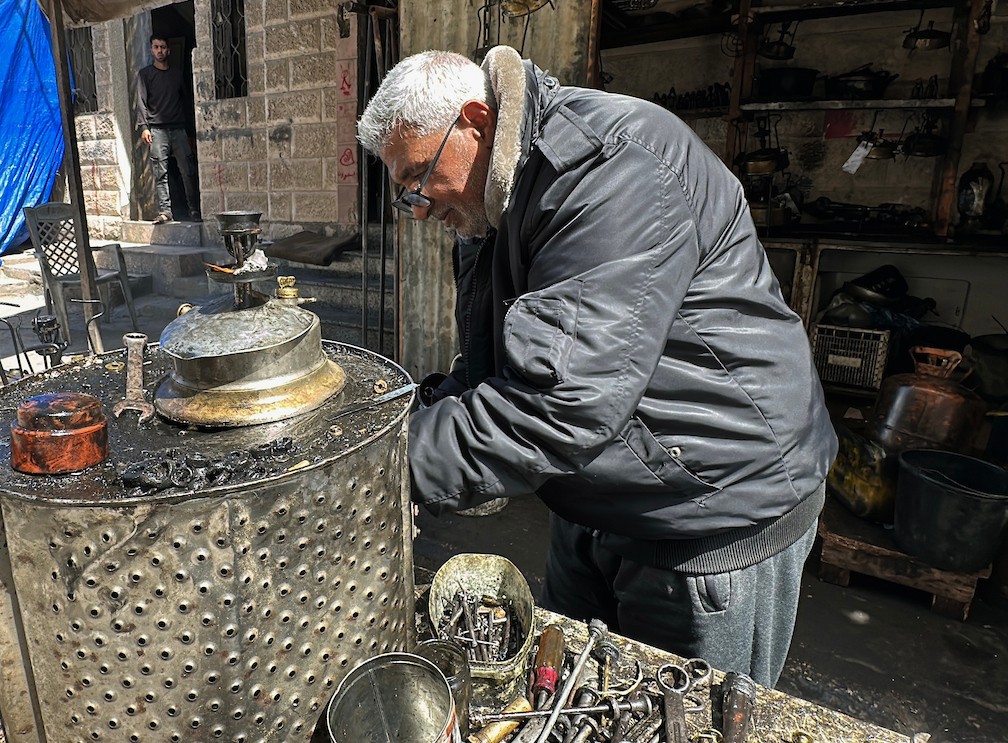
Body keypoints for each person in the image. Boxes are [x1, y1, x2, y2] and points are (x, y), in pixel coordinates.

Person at [356, 47, 838, 687]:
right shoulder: (492, 203)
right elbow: (498, 371)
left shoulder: (611, 169)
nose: (418, 207)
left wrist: (375, 473)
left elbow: (558, 404)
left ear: (476, 121)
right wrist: (394, 424)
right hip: (602, 493)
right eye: (405, 193)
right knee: (558, 695)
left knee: (686, 719)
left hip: (713, 511)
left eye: (419, 178)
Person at [137, 34, 200, 224]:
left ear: (168, 50)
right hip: (157, 131)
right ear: (151, 50)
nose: (160, 51)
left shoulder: (176, 74)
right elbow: (141, 102)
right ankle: (165, 211)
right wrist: (144, 127)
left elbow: (186, 102)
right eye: (156, 47)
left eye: (163, 47)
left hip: (179, 129)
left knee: (188, 171)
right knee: (160, 173)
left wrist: (191, 131)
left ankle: (194, 209)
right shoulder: (145, 75)